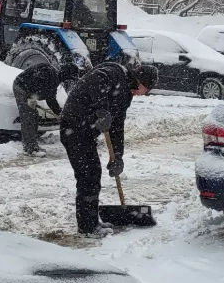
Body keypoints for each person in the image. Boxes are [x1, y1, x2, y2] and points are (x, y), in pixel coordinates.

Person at [59, 62, 159, 237]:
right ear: (142, 81)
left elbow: (117, 126)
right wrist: (102, 110)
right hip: (74, 128)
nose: (144, 93)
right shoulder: (114, 73)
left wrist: (118, 156)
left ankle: (90, 222)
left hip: (85, 133)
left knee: (93, 174)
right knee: (88, 176)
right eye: (147, 89)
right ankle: (87, 228)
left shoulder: (125, 94)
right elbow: (96, 80)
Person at [12, 63, 79, 155]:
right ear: (65, 75)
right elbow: (35, 84)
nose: (68, 82)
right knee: (28, 116)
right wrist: (30, 98)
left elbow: (51, 99)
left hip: (29, 89)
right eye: (69, 79)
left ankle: (33, 145)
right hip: (21, 87)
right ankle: (30, 149)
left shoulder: (54, 79)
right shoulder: (46, 73)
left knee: (34, 116)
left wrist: (60, 113)